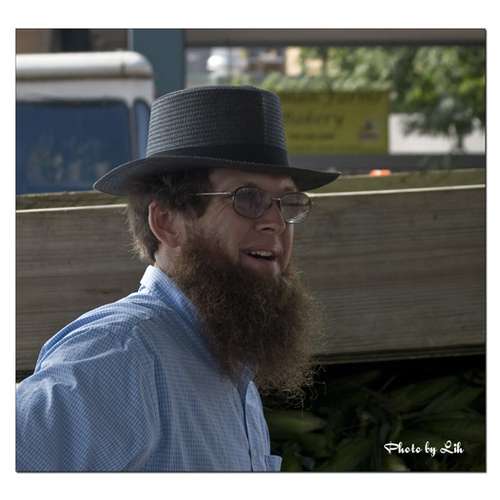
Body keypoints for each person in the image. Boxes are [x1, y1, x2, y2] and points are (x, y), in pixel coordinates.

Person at [16, 85, 340, 472]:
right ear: (167, 222)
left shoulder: (227, 360)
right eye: (247, 198)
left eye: (288, 202)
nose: (275, 222)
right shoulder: (119, 356)